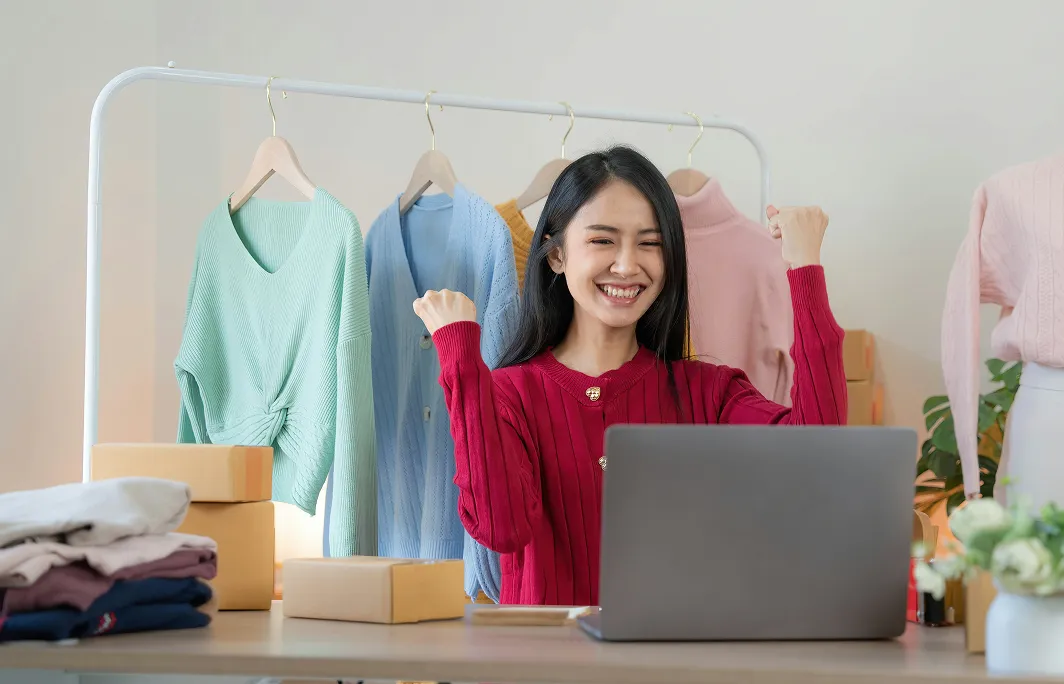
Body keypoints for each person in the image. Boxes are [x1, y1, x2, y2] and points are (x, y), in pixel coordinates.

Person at [412, 146, 847, 606]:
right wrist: (461, 359)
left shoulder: (708, 393)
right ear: (556, 255)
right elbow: (502, 528)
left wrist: (805, 269)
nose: (626, 264)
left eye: (650, 243)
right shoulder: (510, 394)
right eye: (602, 240)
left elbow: (816, 462)